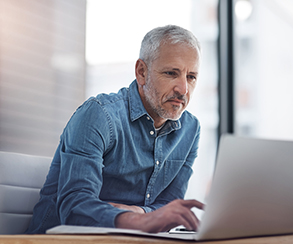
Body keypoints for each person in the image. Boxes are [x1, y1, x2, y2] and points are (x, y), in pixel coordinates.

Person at [26, 25, 204, 234]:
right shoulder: (99, 115)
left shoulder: (190, 130)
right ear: (141, 72)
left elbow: (169, 206)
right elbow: (75, 208)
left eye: (191, 77)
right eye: (171, 73)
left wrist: (140, 213)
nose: (183, 89)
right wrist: (143, 221)